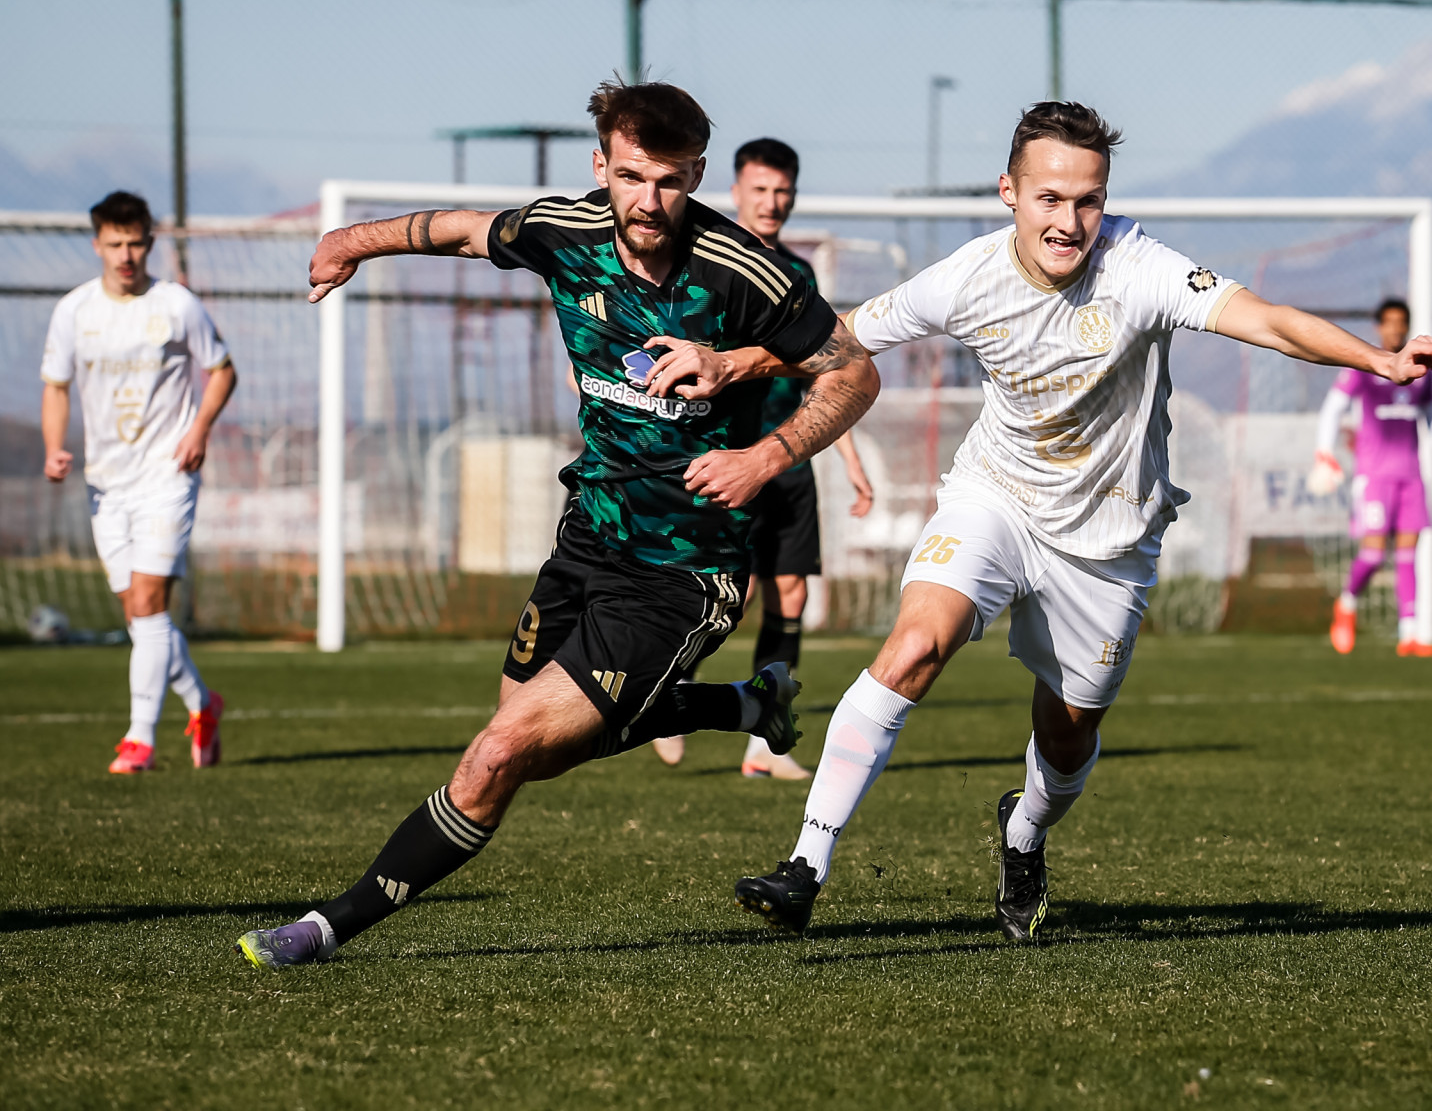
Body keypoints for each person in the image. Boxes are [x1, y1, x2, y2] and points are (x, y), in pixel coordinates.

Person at [719, 101, 1432, 941]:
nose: (1069, 223)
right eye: (1049, 199)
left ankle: (1025, 831)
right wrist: (732, 362)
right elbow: (840, 336)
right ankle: (805, 865)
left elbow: (1267, 320)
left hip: (1109, 539)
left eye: (1088, 201)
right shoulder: (966, 277)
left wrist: (1377, 358)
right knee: (915, 645)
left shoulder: (1141, 268)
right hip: (996, 499)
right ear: (1008, 191)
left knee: (1066, 738)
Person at [234, 80, 879, 968]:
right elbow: (462, 230)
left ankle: (322, 928)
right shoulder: (565, 231)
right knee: (529, 737)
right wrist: (351, 241)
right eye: (630, 177)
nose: (647, 201)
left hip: (684, 574)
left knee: (499, 754)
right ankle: (742, 704)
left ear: (696, 175)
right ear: (600, 166)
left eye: (669, 180)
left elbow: (854, 373)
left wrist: (765, 455)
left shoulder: (745, 272)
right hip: (587, 536)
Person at [650, 137, 876, 780]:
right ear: (735, 192)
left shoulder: (798, 276)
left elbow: (827, 374)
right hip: (728, 456)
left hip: (791, 459)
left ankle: (763, 747)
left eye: (782, 191)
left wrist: (850, 461)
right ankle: (671, 692)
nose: (772, 202)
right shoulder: (707, 266)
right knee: (735, 593)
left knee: (792, 593)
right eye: (760, 190)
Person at [40, 190, 236, 774]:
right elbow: (56, 385)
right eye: (115, 244)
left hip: (167, 476)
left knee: (150, 603)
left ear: (150, 243)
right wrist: (54, 447)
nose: (125, 255)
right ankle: (203, 704)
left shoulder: (176, 304)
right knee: (140, 616)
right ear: (97, 245)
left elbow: (222, 371)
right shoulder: (74, 311)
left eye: (135, 243)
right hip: (106, 485)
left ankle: (139, 740)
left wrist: (199, 429)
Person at [1308, 297, 1432, 658]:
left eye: (1401, 322)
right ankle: (1346, 605)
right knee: (1374, 554)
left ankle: (1409, 635)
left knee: (1408, 555)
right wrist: (1324, 451)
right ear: (1379, 327)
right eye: (1389, 322)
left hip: (1411, 477)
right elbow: (1333, 409)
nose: (1395, 329)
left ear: (1407, 326)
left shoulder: (1420, 371)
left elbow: (1431, 415)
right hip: (1374, 477)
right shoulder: (1365, 366)